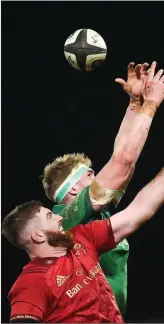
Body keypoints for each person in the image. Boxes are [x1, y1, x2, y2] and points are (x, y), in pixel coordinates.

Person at [42, 61, 164, 315]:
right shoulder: (65, 220)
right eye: (90, 175)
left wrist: (135, 103)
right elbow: (121, 163)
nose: (99, 178)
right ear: (73, 191)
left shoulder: (94, 216)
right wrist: (151, 104)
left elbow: (127, 170)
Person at [2, 168, 164, 323]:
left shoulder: (81, 238)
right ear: (37, 235)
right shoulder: (32, 283)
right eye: (50, 216)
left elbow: (141, 208)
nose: (59, 218)